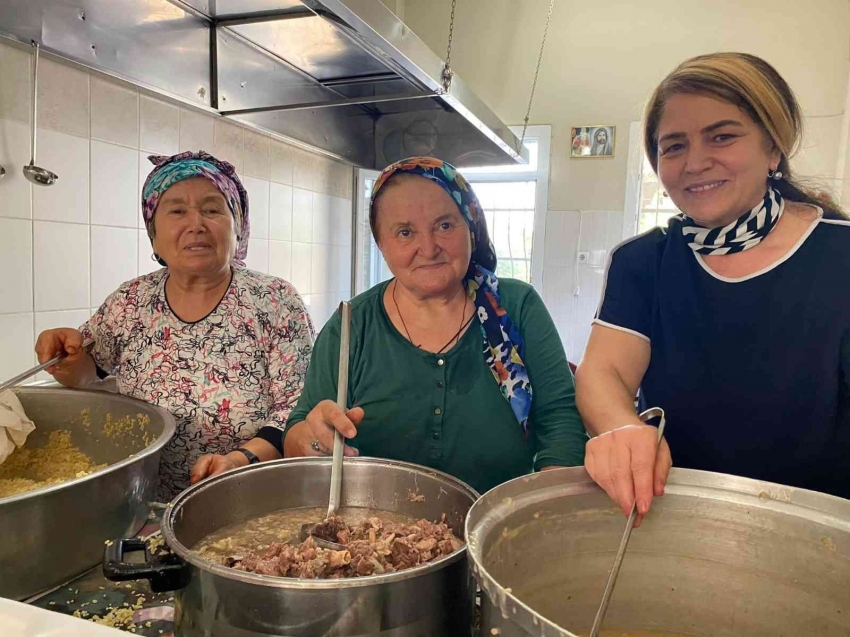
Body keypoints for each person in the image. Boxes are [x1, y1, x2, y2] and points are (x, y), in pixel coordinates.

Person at [577, 52, 850, 526]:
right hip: (673, 522)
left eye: (722, 136)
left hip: (819, 534)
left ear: (773, 148)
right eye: (674, 146)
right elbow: (604, 374)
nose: (695, 163)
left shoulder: (840, 257)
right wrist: (621, 427)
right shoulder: (644, 263)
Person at [282, 156, 586, 494]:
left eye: (444, 225)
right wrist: (314, 441)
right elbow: (298, 432)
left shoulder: (517, 306)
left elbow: (561, 422)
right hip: (371, 529)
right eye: (405, 232)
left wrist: (540, 510)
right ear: (381, 244)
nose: (428, 248)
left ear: (471, 227)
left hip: (500, 524)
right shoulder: (352, 324)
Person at [34, 151, 314, 500]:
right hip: (145, 498)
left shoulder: (274, 300)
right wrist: (66, 356)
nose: (196, 223)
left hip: (250, 498)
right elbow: (90, 372)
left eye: (212, 209)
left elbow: (298, 406)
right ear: (153, 234)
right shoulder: (130, 301)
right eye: (177, 211)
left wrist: (240, 459)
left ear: (238, 227)